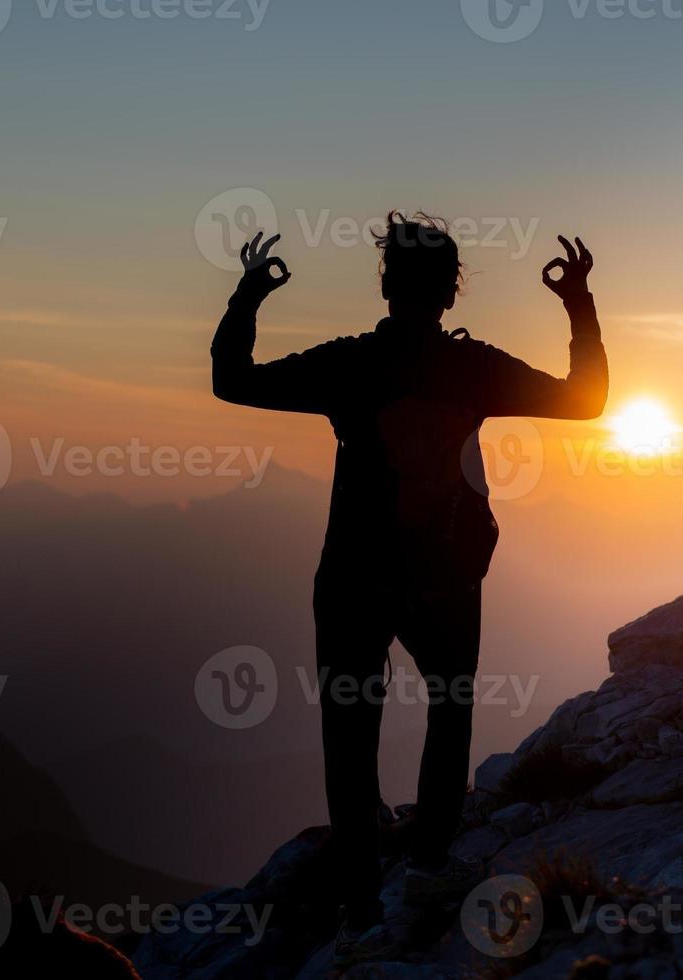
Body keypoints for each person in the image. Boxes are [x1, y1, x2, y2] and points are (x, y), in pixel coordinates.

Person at [210, 212, 608, 967]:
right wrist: (577, 303)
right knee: (449, 710)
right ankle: (428, 866)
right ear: (450, 290)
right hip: (445, 574)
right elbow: (585, 400)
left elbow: (234, 381)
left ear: (386, 284)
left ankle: (360, 911)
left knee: (349, 735)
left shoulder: (350, 363)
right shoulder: (474, 368)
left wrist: (248, 296)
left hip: (353, 575)